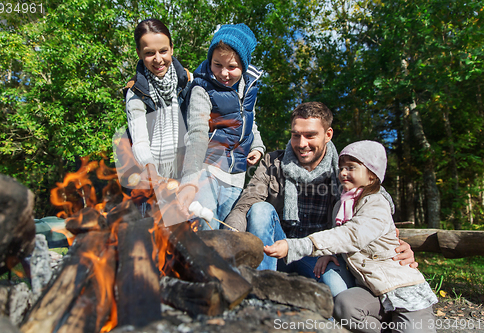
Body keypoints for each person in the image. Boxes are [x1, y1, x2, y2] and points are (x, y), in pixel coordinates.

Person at [224, 102, 417, 298]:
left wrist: (396, 245)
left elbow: (374, 203)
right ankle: (260, 291)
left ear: (328, 135)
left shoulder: (344, 171)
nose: (301, 143)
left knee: (339, 295)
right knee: (260, 209)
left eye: (310, 135)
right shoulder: (273, 163)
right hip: (275, 250)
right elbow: (245, 205)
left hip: (320, 256)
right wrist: (228, 239)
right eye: (296, 135)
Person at [264, 140, 437, 332]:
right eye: (341, 168)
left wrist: (295, 246)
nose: (343, 173)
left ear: (372, 176)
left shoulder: (376, 203)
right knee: (344, 305)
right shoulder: (342, 205)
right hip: (371, 290)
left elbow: (352, 235)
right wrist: (331, 254)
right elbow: (338, 237)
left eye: (351, 168)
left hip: (401, 290)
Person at [177, 23, 265, 229]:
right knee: (206, 229)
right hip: (207, 169)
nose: (224, 73)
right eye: (217, 65)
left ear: (243, 65)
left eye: (232, 67)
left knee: (228, 235)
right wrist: (189, 180)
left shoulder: (249, 86)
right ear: (210, 60)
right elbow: (197, 133)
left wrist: (257, 146)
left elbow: (248, 120)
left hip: (236, 175)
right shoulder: (202, 88)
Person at [116, 18, 192, 217]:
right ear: (139, 54)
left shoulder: (187, 82)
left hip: (185, 173)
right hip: (152, 175)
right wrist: (153, 175)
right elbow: (140, 142)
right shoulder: (135, 92)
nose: (158, 59)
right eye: (149, 53)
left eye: (163, 51)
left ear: (172, 49)